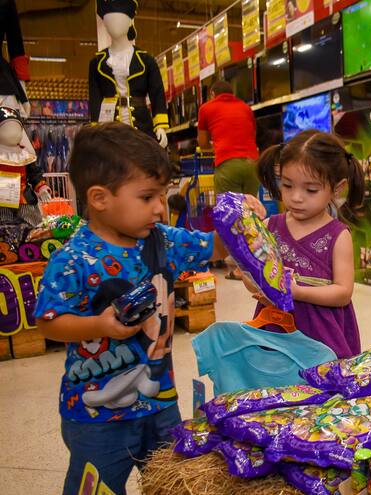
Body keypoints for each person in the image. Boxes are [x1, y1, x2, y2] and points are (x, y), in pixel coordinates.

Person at [33, 123, 262, 495]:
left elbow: (216, 247)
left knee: (170, 483)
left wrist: (241, 219)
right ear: (99, 198)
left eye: (162, 194)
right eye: (147, 197)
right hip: (96, 417)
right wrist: (99, 325)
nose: (160, 207)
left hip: (160, 402)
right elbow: (49, 322)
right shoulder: (73, 259)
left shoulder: (163, 240)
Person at [254, 129, 365, 358]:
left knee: (320, 379)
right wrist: (256, 283)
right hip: (275, 329)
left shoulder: (338, 235)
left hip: (321, 335)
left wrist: (297, 292)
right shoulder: (269, 226)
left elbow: (343, 292)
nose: (296, 197)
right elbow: (255, 274)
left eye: (311, 189)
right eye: (287, 185)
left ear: (337, 188)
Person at [198, 79, 260, 279]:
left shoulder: (206, 108)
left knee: (230, 217)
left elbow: (202, 142)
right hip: (253, 164)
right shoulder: (245, 107)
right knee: (250, 215)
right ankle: (256, 263)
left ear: (212, 94)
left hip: (227, 163)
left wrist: (215, 146)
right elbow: (252, 135)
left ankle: (240, 267)